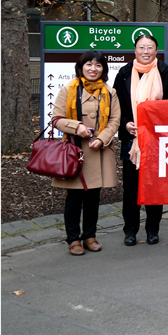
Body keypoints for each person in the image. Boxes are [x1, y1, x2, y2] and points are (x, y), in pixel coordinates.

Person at [51, 51, 121, 256]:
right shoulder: (69, 89)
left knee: (93, 197)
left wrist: (102, 138)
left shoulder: (109, 92)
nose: (93, 69)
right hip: (75, 151)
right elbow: (56, 119)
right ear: (81, 67)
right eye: (89, 64)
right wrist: (76, 126)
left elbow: (114, 120)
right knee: (74, 198)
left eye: (98, 65)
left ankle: (90, 236)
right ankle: (73, 239)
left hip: (98, 150)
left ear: (103, 69)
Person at [113, 34, 168, 246]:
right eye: (141, 47)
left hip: (156, 139)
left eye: (150, 47)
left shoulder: (165, 72)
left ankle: (153, 229)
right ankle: (130, 230)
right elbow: (117, 106)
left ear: (156, 50)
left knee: (153, 186)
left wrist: (155, 124)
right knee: (131, 188)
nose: (145, 51)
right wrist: (126, 123)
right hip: (132, 140)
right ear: (135, 50)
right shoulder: (124, 73)